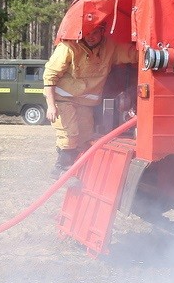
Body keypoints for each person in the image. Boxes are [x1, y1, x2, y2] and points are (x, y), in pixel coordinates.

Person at [43, 21, 137, 176]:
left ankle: (76, 171)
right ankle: (60, 169)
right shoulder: (68, 48)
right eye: (86, 33)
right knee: (70, 134)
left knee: (85, 138)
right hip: (62, 100)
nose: (90, 37)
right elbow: (49, 76)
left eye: (94, 33)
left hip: (85, 103)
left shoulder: (110, 48)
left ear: (102, 31)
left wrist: (148, 55)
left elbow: (129, 53)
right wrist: (51, 106)